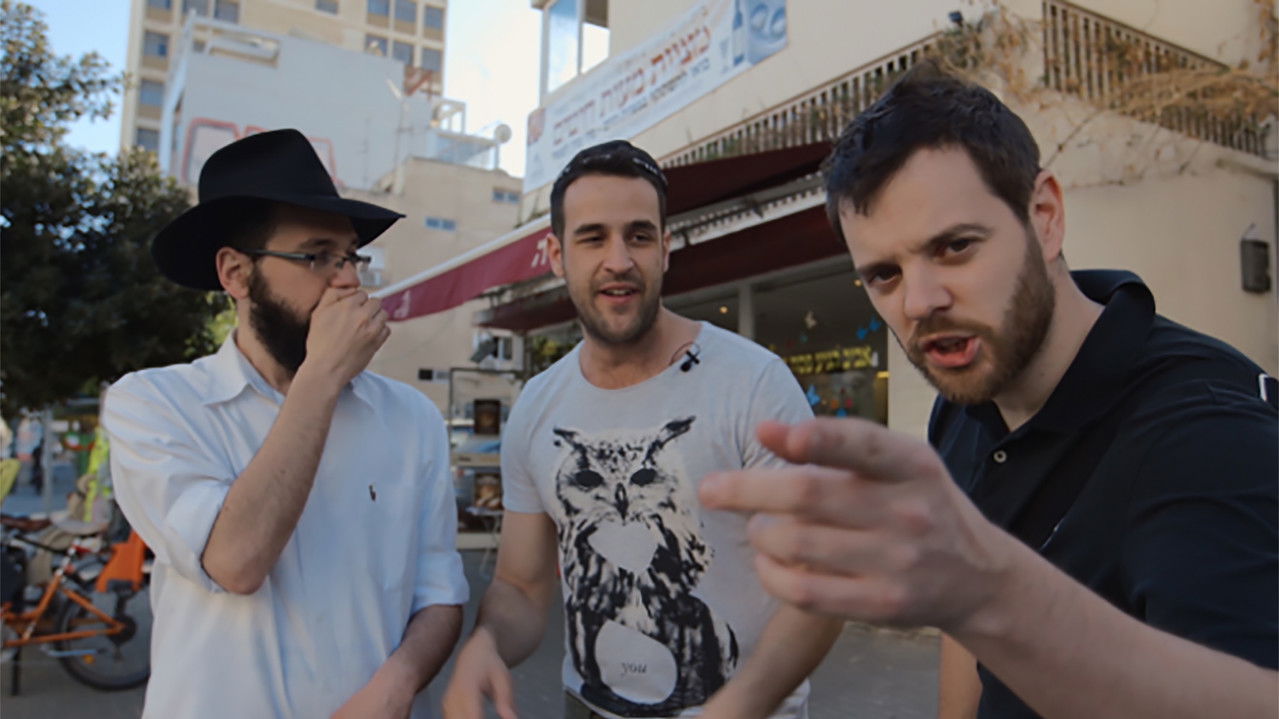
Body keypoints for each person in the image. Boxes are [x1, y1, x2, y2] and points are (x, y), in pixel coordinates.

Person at [698, 64, 1278, 718]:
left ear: (1045, 216)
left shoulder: (1209, 432)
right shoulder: (964, 405)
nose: (919, 301)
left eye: (954, 247)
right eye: (884, 274)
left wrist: (991, 590)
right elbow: (965, 639)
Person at [442, 141, 842, 719]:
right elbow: (521, 587)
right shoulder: (537, 406)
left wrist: (735, 709)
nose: (619, 259)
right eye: (592, 237)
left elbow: (820, 581)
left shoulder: (753, 384)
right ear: (556, 255)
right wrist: (486, 645)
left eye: (638, 235)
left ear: (665, 249)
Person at [103, 129, 468, 718]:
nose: (348, 279)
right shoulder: (156, 404)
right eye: (317, 255)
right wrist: (320, 378)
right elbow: (235, 560)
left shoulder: (411, 419)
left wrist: (399, 684)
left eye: (350, 255)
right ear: (236, 273)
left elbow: (440, 594)